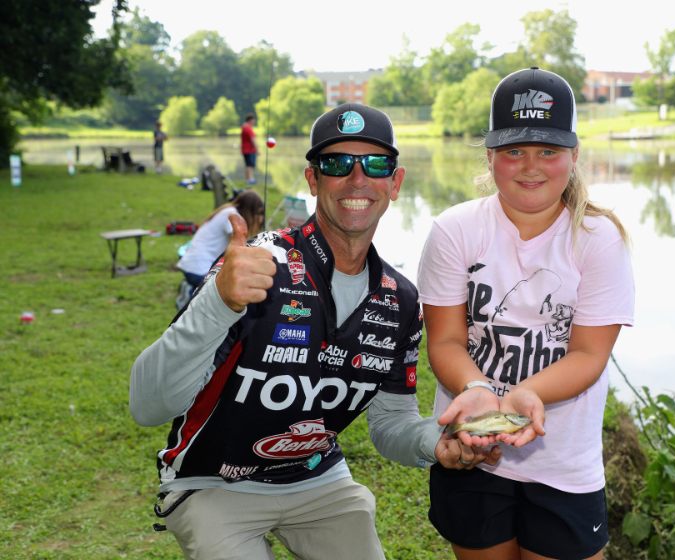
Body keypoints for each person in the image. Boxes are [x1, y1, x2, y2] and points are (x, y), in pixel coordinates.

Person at [130, 103, 500, 560]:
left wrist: (436, 442)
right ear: (313, 180)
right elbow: (146, 406)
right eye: (337, 163)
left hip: (316, 478)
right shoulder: (256, 266)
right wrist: (217, 303)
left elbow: (390, 425)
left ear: (396, 183)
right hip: (212, 482)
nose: (358, 179)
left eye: (376, 164)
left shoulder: (401, 299)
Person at [417, 67, 635, 560]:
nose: (530, 166)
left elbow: (588, 355)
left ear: (574, 156)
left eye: (548, 151)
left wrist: (525, 395)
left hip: (564, 464)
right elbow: (446, 342)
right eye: (514, 150)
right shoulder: (455, 230)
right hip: (473, 451)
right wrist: (478, 392)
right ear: (491, 156)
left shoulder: (598, 240)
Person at [175, 190, 265, 308]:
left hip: (191, 266)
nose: (261, 217)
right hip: (199, 270)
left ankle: (192, 288)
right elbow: (242, 247)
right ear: (251, 209)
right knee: (232, 293)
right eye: (260, 212)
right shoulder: (232, 215)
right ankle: (191, 293)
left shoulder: (227, 211)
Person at [241, 113, 258, 184]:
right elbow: (252, 139)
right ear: (250, 120)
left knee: (248, 165)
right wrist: (256, 148)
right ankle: (250, 180)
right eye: (253, 120)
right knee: (249, 165)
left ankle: (250, 178)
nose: (254, 121)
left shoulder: (244, 127)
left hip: (244, 149)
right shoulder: (248, 128)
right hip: (249, 150)